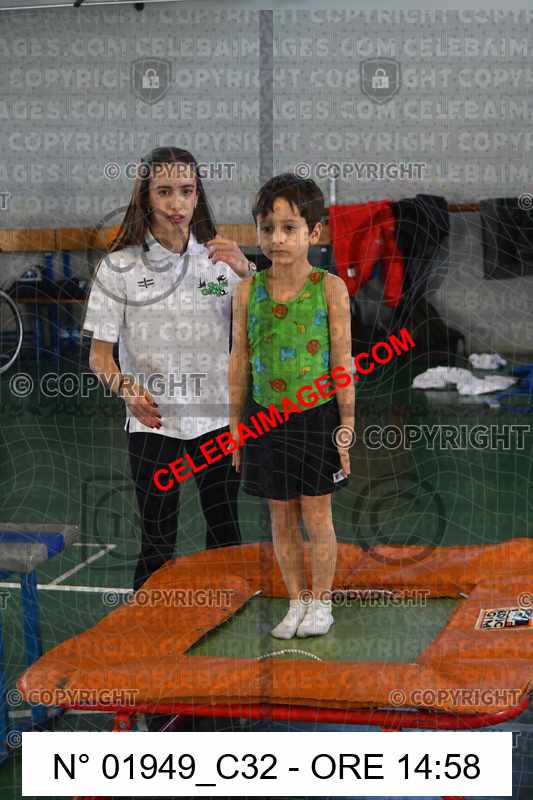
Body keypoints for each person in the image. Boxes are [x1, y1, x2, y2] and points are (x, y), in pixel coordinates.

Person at [83, 146, 255, 591]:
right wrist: (127, 390)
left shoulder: (221, 261)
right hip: (153, 422)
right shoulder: (119, 267)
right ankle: (147, 625)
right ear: (146, 197)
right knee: (157, 541)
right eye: (164, 191)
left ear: (198, 196)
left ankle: (230, 617)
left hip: (217, 419)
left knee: (225, 533)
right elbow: (99, 356)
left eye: (186, 190)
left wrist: (249, 272)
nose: (176, 203)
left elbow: (268, 327)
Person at [229, 174, 355, 638]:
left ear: (314, 232)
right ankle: (297, 600)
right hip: (265, 418)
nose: (277, 239)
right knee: (280, 517)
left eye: (289, 228)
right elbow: (239, 358)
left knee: (317, 515)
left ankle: (322, 602)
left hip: (316, 417)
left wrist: (347, 422)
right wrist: (234, 423)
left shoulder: (330, 288)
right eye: (267, 229)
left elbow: (342, 360)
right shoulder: (247, 291)